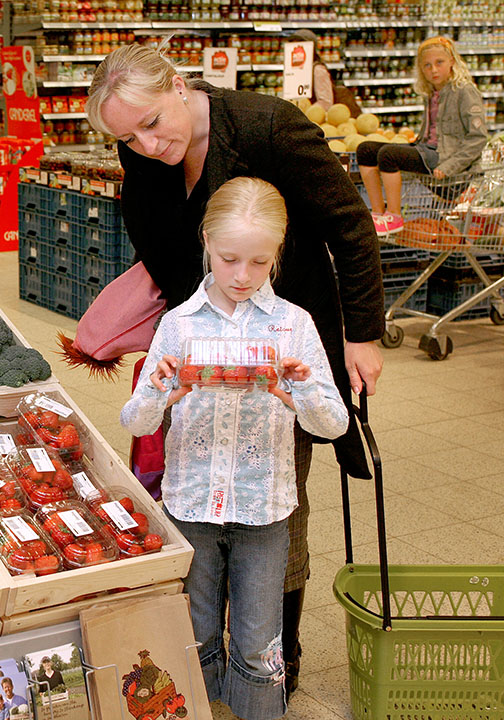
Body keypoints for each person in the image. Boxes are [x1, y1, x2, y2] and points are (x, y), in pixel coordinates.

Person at [85, 42, 385, 699]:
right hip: (202, 358)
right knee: (204, 501)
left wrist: (362, 334)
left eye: (152, 123)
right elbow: (159, 248)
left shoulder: (265, 127)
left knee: (277, 507)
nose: (145, 144)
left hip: (282, 346)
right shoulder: (142, 152)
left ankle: (278, 662)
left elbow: (350, 225)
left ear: (179, 84)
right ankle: (212, 654)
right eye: (126, 137)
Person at [122, 177, 350, 719]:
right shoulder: (178, 324)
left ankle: (255, 709)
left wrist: (300, 390)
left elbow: (334, 424)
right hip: (191, 502)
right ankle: (199, 707)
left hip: (263, 509)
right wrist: (161, 388)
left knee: (257, 637)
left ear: (277, 254)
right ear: (206, 242)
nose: (243, 276)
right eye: (229, 259)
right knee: (195, 630)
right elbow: (136, 420)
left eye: (259, 262)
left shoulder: (294, 326)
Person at [358, 35, 489, 236]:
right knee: (365, 150)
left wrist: (449, 166)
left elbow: (478, 138)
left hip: (445, 157)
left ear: (452, 61)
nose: (433, 70)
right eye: (427, 65)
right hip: (428, 150)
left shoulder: (465, 91)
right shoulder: (431, 92)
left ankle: (394, 216)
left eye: (439, 63)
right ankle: (378, 213)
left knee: (388, 154)